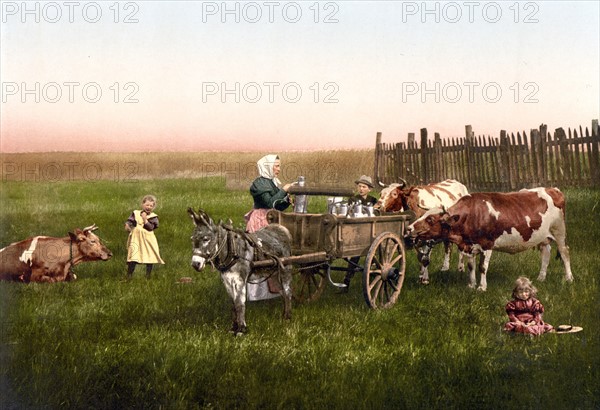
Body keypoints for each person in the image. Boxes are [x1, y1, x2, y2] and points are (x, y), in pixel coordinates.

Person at [244, 154, 294, 300]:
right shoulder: (259, 184)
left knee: (272, 253)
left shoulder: (272, 182)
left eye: (279, 166)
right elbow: (269, 203)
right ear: (268, 166)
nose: (279, 169)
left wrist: (286, 202)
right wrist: (284, 190)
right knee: (260, 254)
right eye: (276, 166)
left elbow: (277, 206)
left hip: (271, 218)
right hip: (261, 220)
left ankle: (271, 292)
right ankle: (257, 295)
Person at [341, 175, 378, 292]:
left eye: (364, 187)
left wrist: (376, 208)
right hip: (357, 230)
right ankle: (347, 280)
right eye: (359, 186)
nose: (361, 189)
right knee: (355, 255)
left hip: (370, 230)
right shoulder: (353, 199)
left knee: (373, 252)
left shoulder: (373, 200)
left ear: (369, 189)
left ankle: (372, 273)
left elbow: (377, 213)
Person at [124, 194, 165, 280]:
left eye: (151, 205)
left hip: (148, 240)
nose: (149, 207)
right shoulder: (136, 213)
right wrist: (128, 225)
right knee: (134, 256)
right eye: (147, 205)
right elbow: (130, 221)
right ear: (143, 205)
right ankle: (129, 275)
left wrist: (145, 219)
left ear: (153, 207)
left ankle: (148, 276)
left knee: (149, 256)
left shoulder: (154, 217)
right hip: (136, 238)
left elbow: (150, 228)